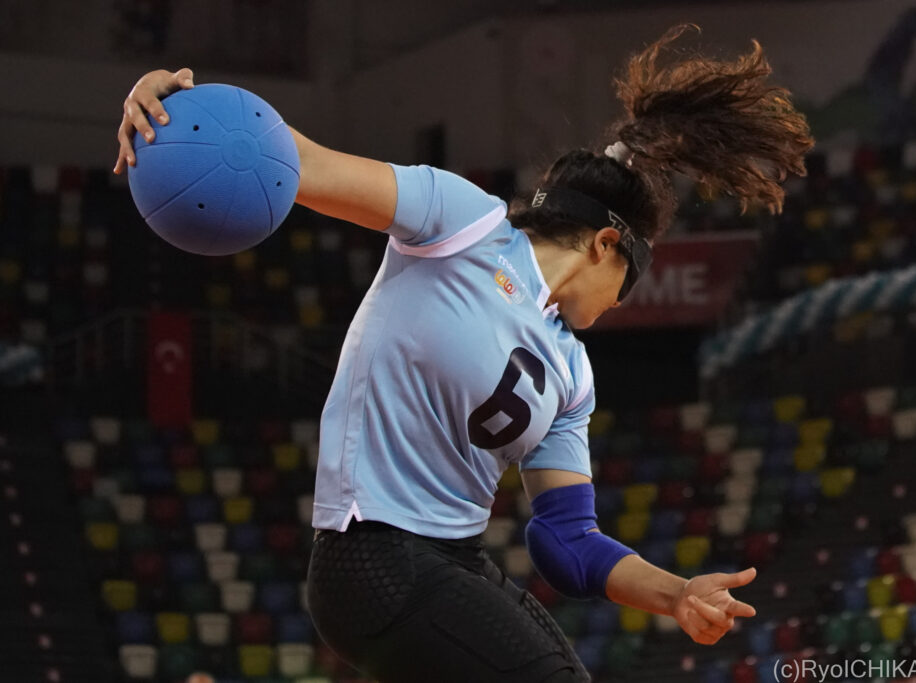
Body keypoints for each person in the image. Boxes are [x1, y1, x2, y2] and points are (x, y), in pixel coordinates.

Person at [115, 24, 812, 683]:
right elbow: (303, 162)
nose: (620, 305)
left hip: (455, 562)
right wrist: (174, 105)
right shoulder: (466, 224)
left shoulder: (572, 372)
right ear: (606, 245)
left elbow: (566, 541)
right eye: (628, 282)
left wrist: (678, 593)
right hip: (371, 556)